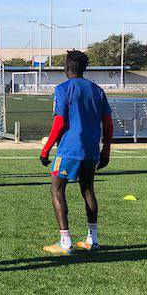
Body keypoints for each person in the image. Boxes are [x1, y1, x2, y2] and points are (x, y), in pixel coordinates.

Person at [40, 50, 113, 255]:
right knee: (88, 190)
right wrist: (105, 150)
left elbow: (60, 122)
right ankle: (93, 239)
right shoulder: (98, 90)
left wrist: (45, 150)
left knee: (57, 189)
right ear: (84, 68)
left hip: (70, 149)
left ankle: (65, 242)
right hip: (91, 149)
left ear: (66, 68)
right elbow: (107, 123)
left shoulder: (63, 89)